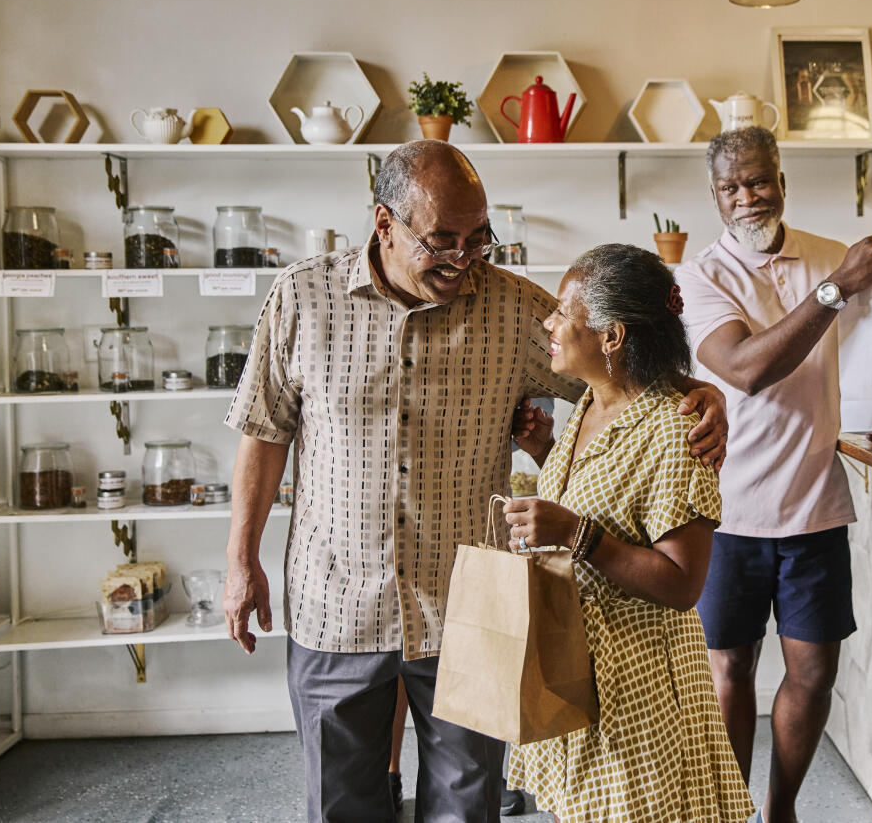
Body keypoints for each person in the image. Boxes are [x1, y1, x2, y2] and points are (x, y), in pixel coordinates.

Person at [222, 140, 729, 823]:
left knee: (467, 808)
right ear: (385, 226)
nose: (464, 260)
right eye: (442, 242)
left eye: (478, 238)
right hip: (335, 601)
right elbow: (264, 432)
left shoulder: (516, 307)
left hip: (470, 608)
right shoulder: (302, 298)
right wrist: (240, 560)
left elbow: (619, 365)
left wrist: (697, 390)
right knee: (339, 805)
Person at [674, 126, 872, 823]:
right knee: (730, 674)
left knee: (813, 675)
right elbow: (748, 369)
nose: (748, 197)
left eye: (759, 180)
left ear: (781, 177)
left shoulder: (827, 257)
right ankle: (730, 813)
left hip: (815, 507)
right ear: (714, 196)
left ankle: (780, 812)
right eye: (731, 187)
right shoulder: (697, 278)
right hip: (725, 514)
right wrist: (838, 287)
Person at [501, 244, 755, 823]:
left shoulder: (675, 430)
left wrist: (575, 534)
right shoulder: (593, 401)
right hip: (579, 666)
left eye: (564, 313)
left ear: (612, 337)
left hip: (640, 691)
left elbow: (683, 582)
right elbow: (612, 500)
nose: (550, 322)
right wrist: (546, 451)